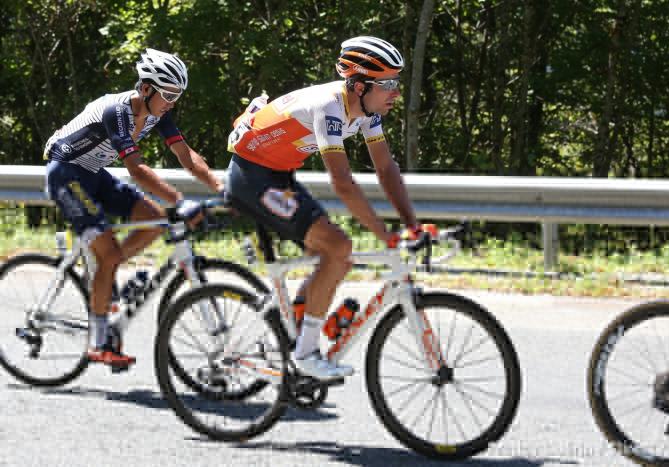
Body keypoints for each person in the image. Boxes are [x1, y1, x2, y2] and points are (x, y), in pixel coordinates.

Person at [225, 36, 421, 380]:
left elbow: (386, 167)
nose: (395, 93)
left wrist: (411, 224)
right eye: (387, 84)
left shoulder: (366, 111)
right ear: (359, 86)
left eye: (396, 83)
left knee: (335, 254)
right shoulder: (329, 107)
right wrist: (385, 235)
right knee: (338, 247)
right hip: (251, 179)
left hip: (279, 175)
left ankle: (299, 317)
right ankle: (305, 353)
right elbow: (342, 183)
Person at [45, 48, 223, 369]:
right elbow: (137, 169)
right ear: (145, 88)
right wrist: (180, 202)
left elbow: (186, 155)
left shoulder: (159, 111)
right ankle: (99, 342)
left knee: (155, 219)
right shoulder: (118, 110)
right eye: (168, 94)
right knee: (110, 255)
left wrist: (220, 187)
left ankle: (106, 277)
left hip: (95, 175)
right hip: (66, 174)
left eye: (177, 95)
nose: (172, 102)